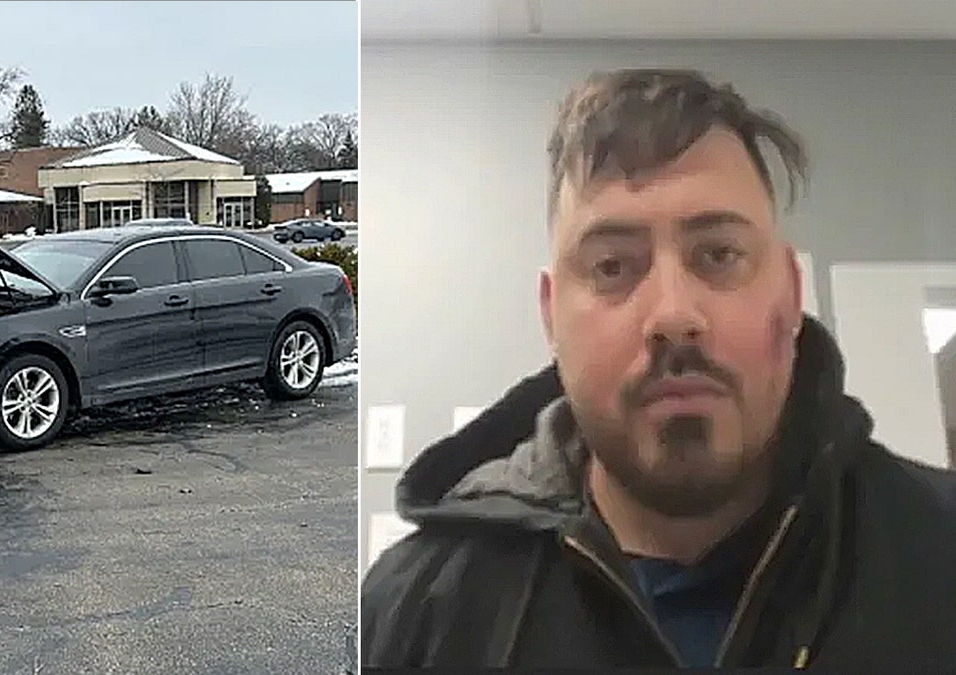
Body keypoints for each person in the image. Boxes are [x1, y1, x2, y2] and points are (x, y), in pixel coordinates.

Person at [360, 68, 956, 671]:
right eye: (614, 266)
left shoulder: (939, 552)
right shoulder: (409, 613)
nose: (673, 315)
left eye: (719, 254)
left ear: (790, 293)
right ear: (550, 316)